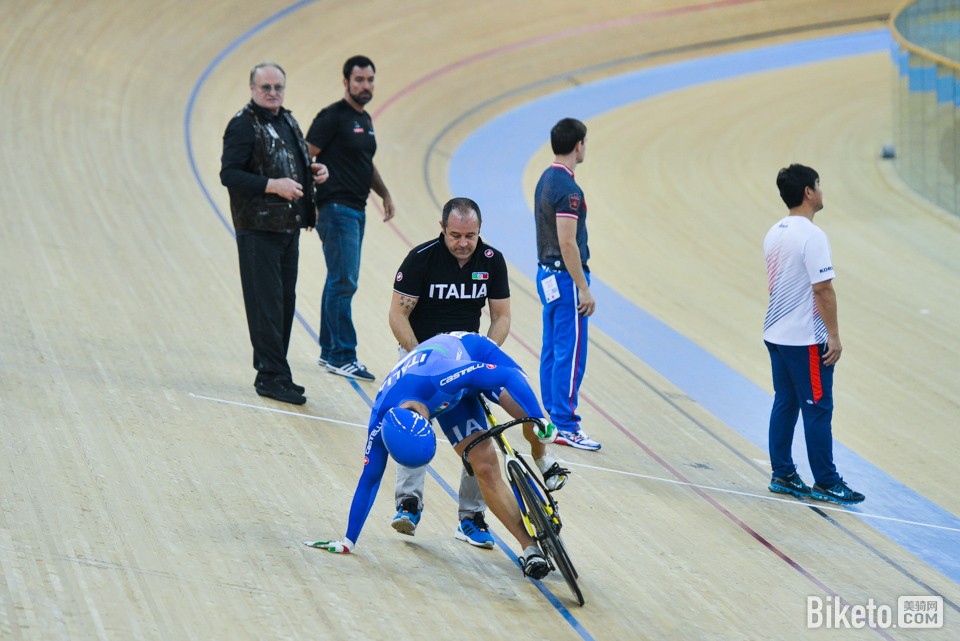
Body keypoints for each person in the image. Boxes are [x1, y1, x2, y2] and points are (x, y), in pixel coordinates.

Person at [305, 332, 562, 580]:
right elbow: (369, 479)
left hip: (472, 357)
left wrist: (539, 417)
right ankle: (529, 549)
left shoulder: (440, 376)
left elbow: (505, 376)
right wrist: (348, 540)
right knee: (484, 467)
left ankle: (543, 459)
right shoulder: (380, 422)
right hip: (447, 397)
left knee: (529, 416)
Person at [387, 197, 568, 549]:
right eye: (455, 235)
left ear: (479, 232)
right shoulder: (421, 259)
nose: (463, 243)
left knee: (479, 433)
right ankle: (408, 503)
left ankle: (471, 517)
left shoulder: (491, 261)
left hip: (466, 357)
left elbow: (501, 317)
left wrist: (484, 356)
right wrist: (419, 356)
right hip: (421, 356)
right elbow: (397, 315)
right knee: (412, 424)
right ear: (442, 230)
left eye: (470, 235)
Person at [220, 62, 329, 405]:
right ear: (252, 89)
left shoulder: (287, 120)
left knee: (284, 304)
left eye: (277, 87)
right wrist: (272, 186)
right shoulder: (242, 125)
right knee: (265, 304)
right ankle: (271, 375)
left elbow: (289, 163)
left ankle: (276, 371)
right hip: (258, 229)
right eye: (265, 87)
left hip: (287, 228)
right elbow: (230, 175)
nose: (272, 93)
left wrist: (313, 172)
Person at [763, 164, 864, 505]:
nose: (822, 190)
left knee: (785, 402)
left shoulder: (774, 231)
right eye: (819, 184)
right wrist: (832, 337)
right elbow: (823, 290)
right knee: (818, 408)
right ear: (808, 192)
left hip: (776, 333)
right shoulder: (812, 235)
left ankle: (783, 474)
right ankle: (827, 481)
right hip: (805, 339)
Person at [305, 55, 394, 383]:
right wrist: (308, 199)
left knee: (338, 281)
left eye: (370, 80)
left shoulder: (365, 119)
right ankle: (343, 355)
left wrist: (384, 193)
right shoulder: (332, 117)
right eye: (359, 80)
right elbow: (304, 153)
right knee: (344, 282)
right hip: (336, 209)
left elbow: (364, 161)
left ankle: (331, 353)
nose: (366, 86)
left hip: (355, 209)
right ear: (346, 82)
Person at [533, 118, 601, 451]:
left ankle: (551, 418)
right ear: (578, 145)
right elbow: (568, 242)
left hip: (547, 275)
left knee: (553, 350)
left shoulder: (546, 178)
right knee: (571, 354)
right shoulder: (569, 190)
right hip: (566, 279)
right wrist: (583, 288)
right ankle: (565, 424)